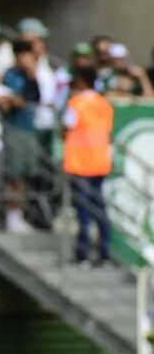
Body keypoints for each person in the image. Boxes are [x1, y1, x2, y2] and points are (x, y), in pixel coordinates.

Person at [62, 66, 114, 267]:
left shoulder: (76, 103)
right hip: (100, 162)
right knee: (100, 208)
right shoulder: (104, 104)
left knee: (83, 210)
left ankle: (83, 253)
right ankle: (104, 252)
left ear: (82, 81)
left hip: (81, 163)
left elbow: (66, 127)